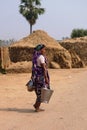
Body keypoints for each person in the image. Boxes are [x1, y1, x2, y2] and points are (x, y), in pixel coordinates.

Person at [31, 44, 50, 112]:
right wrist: (46, 78)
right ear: (40, 50)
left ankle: (36, 105)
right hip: (41, 78)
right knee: (41, 93)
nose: (45, 51)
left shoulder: (36, 57)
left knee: (39, 92)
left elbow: (34, 68)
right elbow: (44, 68)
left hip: (36, 77)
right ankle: (37, 107)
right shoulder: (41, 57)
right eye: (44, 49)